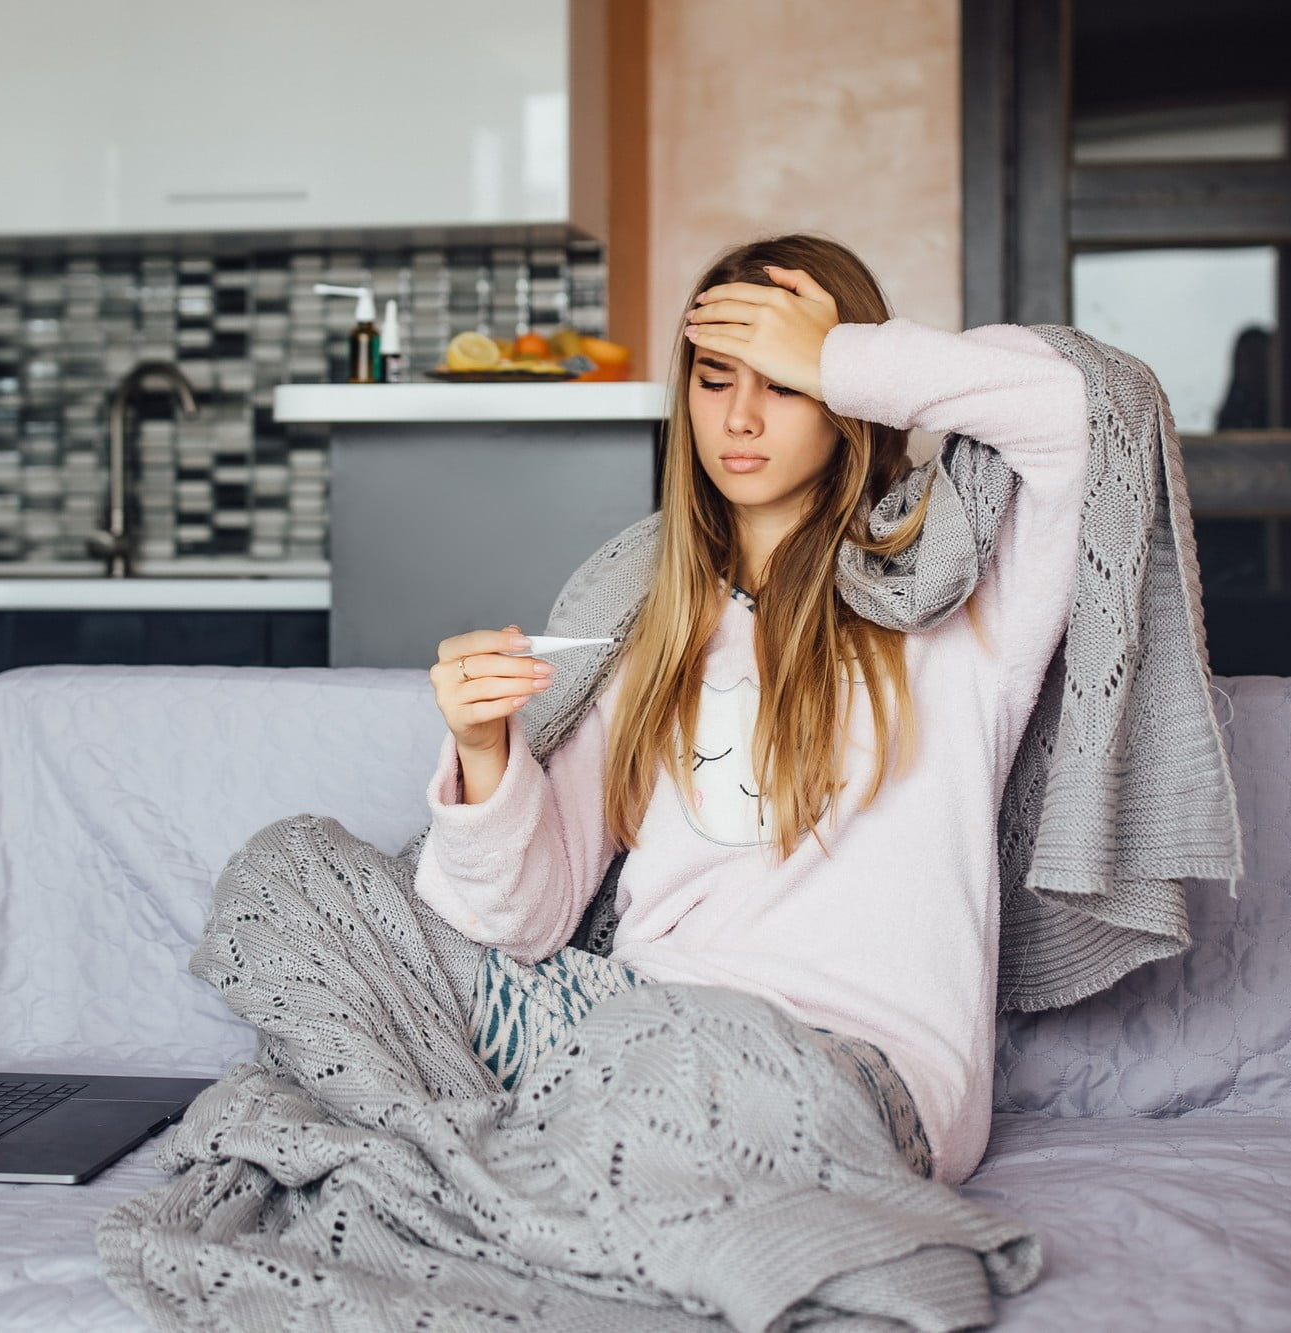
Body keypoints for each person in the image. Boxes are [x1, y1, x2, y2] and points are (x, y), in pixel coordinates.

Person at [414, 233, 1092, 1190]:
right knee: (297, 884)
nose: (738, 416)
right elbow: (522, 919)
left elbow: (1079, 412)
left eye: (779, 382)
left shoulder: (962, 592)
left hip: (851, 1070)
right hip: (630, 1022)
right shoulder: (640, 616)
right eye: (715, 378)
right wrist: (483, 750)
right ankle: (567, 1147)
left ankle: (555, 1160)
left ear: (850, 397)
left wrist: (837, 353)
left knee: (679, 1110)